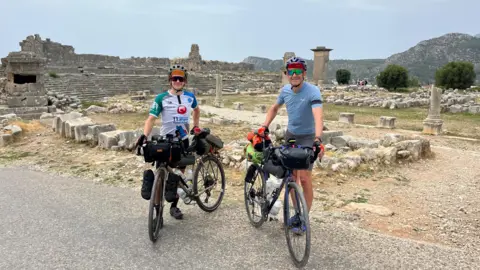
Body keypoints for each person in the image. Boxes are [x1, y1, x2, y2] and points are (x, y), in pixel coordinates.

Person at [260, 56, 324, 215]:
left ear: (304, 73)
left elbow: (318, 116)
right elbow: (274, 108)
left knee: (305, 178)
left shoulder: (313, 91)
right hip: (292, 136)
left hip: (308, 137)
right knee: (292, 177)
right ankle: (297, 213)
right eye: (291, 71)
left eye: (298, 71)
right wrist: (264, 126)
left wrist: (318, 139)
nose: (294, 75)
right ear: (286, 74)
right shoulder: (286, 91)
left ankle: (304, 217)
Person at [136, 64, 200, 220]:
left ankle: (174, 206)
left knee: (178, 175)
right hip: (165, 141)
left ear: (184, 81)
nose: (177, 81)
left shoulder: (190, 97)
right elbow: (151, 119)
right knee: (160, 174)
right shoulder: (161, 98)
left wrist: (196, 126)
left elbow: (197, 110)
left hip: (183, 140)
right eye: (174, 78)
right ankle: (157, 212)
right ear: (170, 80)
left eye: (181, 79)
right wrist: (145, 135)